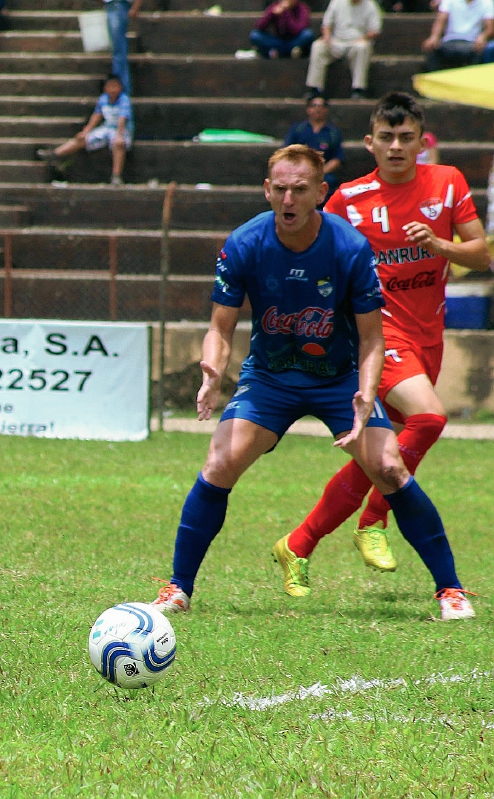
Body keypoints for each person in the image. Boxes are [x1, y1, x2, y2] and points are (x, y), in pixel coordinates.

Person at [148, 144, 476, 622]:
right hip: (271, 378)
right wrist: (212, 371)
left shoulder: (347, 247)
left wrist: (366, 394)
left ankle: (450, 590)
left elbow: (371, 337)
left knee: (388, 467)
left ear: (321, 193)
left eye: (299, 189)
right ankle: (178, 589)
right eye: (279, 188)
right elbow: (220, 328)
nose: (288, 198)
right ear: (266, 190)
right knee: (219, 463)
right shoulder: (243, 243)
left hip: (340, 377)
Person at [272, 94, 490, 603]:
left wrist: (442, 248)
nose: (396, 147)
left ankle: (298, 544)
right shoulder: (348, 198)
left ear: (421, 142)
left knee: (381, 455)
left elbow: (481, 254)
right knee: (431, 419)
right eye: (386, 138)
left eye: (406, 137)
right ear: (369, 142)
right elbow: (310, 244)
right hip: (378, 334)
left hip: (427, 336)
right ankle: (374, 519)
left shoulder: (448, 183)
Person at [36, 74, 132, 186]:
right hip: (107, 128)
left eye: (115, 86)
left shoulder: (124, 100)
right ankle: (54, 155)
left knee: (118, 143)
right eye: (110, 86)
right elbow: (96, 116)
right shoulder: (103, 99)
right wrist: (86, 131)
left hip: (121, 130)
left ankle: (116, 176)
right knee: (81, 139)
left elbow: (122, 119)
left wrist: (119, 135)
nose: (113, 89)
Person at [305, 0, 382, 100]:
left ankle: (358, 89)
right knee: (318, 46)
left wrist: (364, 37)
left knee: (363, 48)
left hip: (357, 42)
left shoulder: (370, 5)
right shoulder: (336, 2)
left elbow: (375, 30)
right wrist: (327, 37)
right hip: (336, 42)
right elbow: (327, 24)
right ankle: (315, 88)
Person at [283, 95, 345, 198]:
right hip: (298, 170)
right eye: (314, 105)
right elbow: (287, 151)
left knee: (329, 182)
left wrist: (320, 171)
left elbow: (337, 158)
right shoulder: (298, 129)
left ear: (326, 110)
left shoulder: (333, 132)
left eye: (321, 106)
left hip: (322, 172)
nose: (317, 109)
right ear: (308, 109)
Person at [422, 0, 494, 70]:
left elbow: (490, 28)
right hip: (450, 40)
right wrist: (434, 37)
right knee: (432, 48)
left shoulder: (486, 2)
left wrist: (483, 36)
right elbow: (441, 20)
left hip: (472, 42)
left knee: (480, 50)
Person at [250, 0, 314, 59]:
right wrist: (271, 14)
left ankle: (280, 52)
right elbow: (259, 26)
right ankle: (281, 52)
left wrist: (286, 13)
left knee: (308, 34)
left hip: (294, 41)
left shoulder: (302, 9)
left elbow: (298, 29)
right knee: (255, 35)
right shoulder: (275, 7)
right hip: (277, 41)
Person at [103, 0, 142, 97]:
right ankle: (117, 86)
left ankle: (120, 88)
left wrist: (135, 7)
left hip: (119, 4)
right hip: (110, 5)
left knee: (118, 51)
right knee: (117, 51)